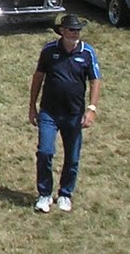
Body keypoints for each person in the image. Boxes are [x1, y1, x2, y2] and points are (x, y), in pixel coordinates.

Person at [28, 14, 102, 213]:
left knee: (72, 157)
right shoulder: (49, 51)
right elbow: (38, 78)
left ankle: (65, 194)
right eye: (71, 30)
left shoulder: (87, 53)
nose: (75, 33)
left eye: (78, 30)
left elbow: (95, 81)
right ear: (62, 31)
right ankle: (44, 194)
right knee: (45, 152)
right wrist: (32, 106)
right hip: (49, 113)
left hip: (74, 114)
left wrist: (91, 109)